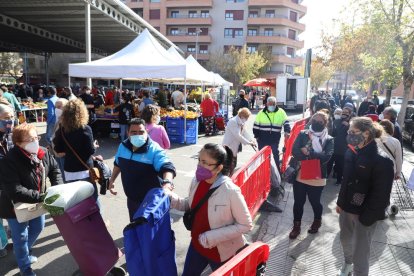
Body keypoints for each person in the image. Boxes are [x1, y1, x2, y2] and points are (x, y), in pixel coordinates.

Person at [167, 143, 253, 274]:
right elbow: (190, 205)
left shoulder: (230, 191)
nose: (200, 166)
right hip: (197, 246)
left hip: (222, 253)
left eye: (205, 163)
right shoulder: (196, 181)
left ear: (219, 168)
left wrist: (212, 236)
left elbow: (246, 225)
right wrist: (172, 199)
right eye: (199, 161)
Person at [0, 124, 63, 276]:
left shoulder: (43, 152)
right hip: (14, 206)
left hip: (38, 201)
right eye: (29, 139)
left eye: (36, 137)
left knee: (38, 227)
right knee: (20, 236)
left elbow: (55, 170)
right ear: (18, 143)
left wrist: (58, 188)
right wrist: (42, 197)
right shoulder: (9, 160)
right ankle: (25, 267)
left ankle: (22, 251)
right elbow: (15, 190)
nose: (35, 142)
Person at [336, 117, 394, 276]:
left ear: (367, 133)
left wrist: (366, 219)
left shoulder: (382, 160)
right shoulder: (351, 150)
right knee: (345, 241)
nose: (349, 135)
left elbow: (381, 195)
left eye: (353, 132)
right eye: (349, 132)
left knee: (360, 254)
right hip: (346, 208)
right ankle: (347, 265)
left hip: (364, 215)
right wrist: (340, 202)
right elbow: (345, 180)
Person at [108, 118, 176, 221]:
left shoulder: (154, 149)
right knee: (135, 227)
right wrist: (112, 180)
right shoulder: (123, 146)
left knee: (151, 232)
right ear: (128, 133)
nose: (138, 135)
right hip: (132, 199)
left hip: (151, 202)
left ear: (146, 132)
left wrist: (167, 182)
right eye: (134, 132)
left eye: (141, 132)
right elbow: (118, 164)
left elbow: (167, 166)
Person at [289, 112, 334, 239]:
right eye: (315, 120)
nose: (317, 123)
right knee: (298, 202)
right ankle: (296, 227)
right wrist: (309, 155)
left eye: (320, 122)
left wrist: (309, 152)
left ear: (325, 124)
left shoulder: (329, 139)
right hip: (301, 174)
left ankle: (317, 221)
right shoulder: (303, 134)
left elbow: (326, 157)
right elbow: (295, 150)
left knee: (315, 202)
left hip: (317, 176)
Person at [53, 99, 100, 201]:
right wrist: (94, 146)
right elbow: (90, 151)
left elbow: (58, 150)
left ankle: (77, 217)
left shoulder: (62, 129)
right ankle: (94, 217)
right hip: (85, 170)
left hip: (69, 170)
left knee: (75, 200)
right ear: (83, 113)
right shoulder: (85, 129)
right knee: (92, 199)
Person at [253, 96, 290, 169]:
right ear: (266, 104)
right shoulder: (261, 113)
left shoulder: (281, 112)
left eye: (273, 104)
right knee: (262, 157)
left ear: (275, 104)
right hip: (262, 139)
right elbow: (256, 126)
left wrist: (287, 131)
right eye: (270, 104)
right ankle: (263, 171)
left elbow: (286, 122)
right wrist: (256, 136)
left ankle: (277, 173)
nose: (271, 106)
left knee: (275, 154)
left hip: (274, 139)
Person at [0, 104, 15, 258]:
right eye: (5, 118)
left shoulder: (12, 134)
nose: (10, 120)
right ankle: (1, 245)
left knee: (11, 213)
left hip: (10, 182)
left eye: (11, 117)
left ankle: (11, 237)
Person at [222, 108, 255, 173]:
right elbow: (238, 136)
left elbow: (244, 132)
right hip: (229, 145)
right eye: (247, 117)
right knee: (228, 165)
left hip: (234, 146)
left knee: (233, 164)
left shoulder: (241, 122)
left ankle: (230, 176)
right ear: (242, 116)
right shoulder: (233, 121)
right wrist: (249, 143)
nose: (247, 119)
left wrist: (251, 140)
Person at [330, 107, 352, 185]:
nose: (344, 114)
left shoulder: (351, 123)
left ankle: (339, 180)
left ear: (349, 114)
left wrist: (349, 126)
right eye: (343, 112)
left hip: (343, 148)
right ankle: (325, 179)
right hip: (333, 146)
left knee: (340, 165)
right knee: (329, 164)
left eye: (346, 112)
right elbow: (332, 132)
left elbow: (354, 135)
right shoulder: (336, 121)